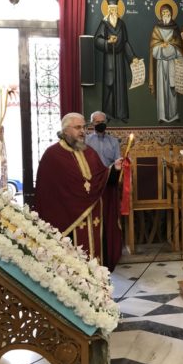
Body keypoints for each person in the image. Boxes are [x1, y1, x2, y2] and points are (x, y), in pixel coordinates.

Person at [35, 113, 123, 264]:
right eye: (77, 127)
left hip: (93, 217)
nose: (82, 131)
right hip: (68, 218)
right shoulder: (52, 155)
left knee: (96, 259)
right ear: (65, 130)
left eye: (84, 127)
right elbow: (47, 193)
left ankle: (97, 278)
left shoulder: (89, 152)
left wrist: (114, 169)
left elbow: (101, 179)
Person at [85, 111, 123, 270]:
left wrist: (118, 165)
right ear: (92, 123)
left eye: (103, 121)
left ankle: (109, 253)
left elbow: (117, 163)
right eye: (97, 121)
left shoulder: (113, 142)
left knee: (108, 218)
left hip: (108, 184)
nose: (100, 124)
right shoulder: (86, 141)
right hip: (92, 186)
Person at [94, 0, 139, 122]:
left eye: (115, 9)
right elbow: (97, 40)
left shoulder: (121, 24)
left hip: (119, 59)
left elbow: (125, 42)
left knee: (120, 87)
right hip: (109, 59)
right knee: (109, 85)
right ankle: (107, 115)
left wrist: (132, 58)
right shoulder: (104, 24)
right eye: (111, 9)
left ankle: (121, 114)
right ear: (108, 10)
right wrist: (108, 42)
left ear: (117, 10)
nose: (113, 11)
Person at [149, 2, 183, 124]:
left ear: (171, 13)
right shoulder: (156, 28)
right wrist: (160, 46)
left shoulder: (175, 28)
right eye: (163, 12)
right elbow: (153, 46)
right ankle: (162, 116)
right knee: (161, 89)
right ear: (160, 14)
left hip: (173, 63)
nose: (165, 14)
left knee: (172, 89)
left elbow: (179, 46)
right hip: (161, 63)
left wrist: (170, 47)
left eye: (167, 12)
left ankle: (174, 115)